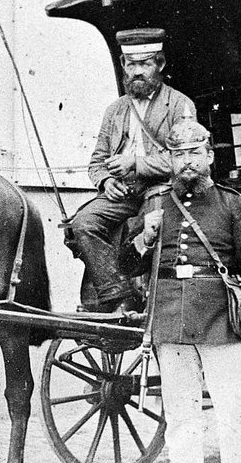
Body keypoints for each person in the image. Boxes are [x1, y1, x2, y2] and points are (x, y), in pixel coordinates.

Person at [120, 118, 241, 463]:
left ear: (209, 157)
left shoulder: (232, 204)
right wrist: (144, 238)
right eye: (179, 154)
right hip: (171, 323)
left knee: (234, 415)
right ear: (171, 161)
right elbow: (127, 265)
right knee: (181, 417)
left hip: (220, 321)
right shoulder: (156, 204)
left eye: (195, 153)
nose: (187, 161)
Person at [68, 28, 196, 313]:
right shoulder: (115, 110)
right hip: (123, 193)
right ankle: (117, 295)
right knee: (82, 223)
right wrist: (105, 182)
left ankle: (141, 294)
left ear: (160, 64)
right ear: (124, 65)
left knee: (137, 229)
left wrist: (134, 163)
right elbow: (97, 160)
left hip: (163, 191)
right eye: (131, 64)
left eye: (145, 64)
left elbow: (183, 161)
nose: (137, 72)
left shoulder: (179, 105)